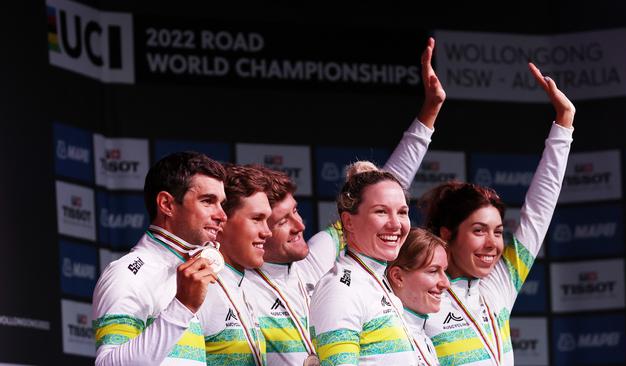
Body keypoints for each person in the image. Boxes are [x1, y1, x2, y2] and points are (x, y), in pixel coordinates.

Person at [243, 36, 446, 365]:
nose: (301, 225)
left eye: (296, 212)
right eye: (281, 221)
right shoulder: (238, 284)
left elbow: (378, 196)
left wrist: (428, 116)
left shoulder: (320, 262)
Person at [421, 62, 576, 366]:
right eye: (479, 231)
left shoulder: (500, 282)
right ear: (447, 234)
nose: (493, 243)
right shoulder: (417, 297)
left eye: (498, 231)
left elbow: (539, 211)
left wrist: (564, 124)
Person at [92, 151, 227, 365]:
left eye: (222, 203)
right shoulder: (127, 273)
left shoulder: (200, 273)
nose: (222, 215)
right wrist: (182, 307)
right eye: (208, 201)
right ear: (166, 204)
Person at [309, 162, 420, 365]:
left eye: (402, 212)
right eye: (381, 212)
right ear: (348, 222)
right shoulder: (340, 290)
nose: (396, 224)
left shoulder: (373, 281)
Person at [198, 164, 273, 366]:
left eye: (267, 220)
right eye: (257, 219)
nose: (268, 232)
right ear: (222, 221)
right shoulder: (199, 286)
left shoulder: (244, 284)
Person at [387, 228, 450, 366]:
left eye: (444, 271)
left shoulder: (420, 334)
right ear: (398, 277)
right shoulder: (387, 339)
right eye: (433, 271)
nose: (446, 283)